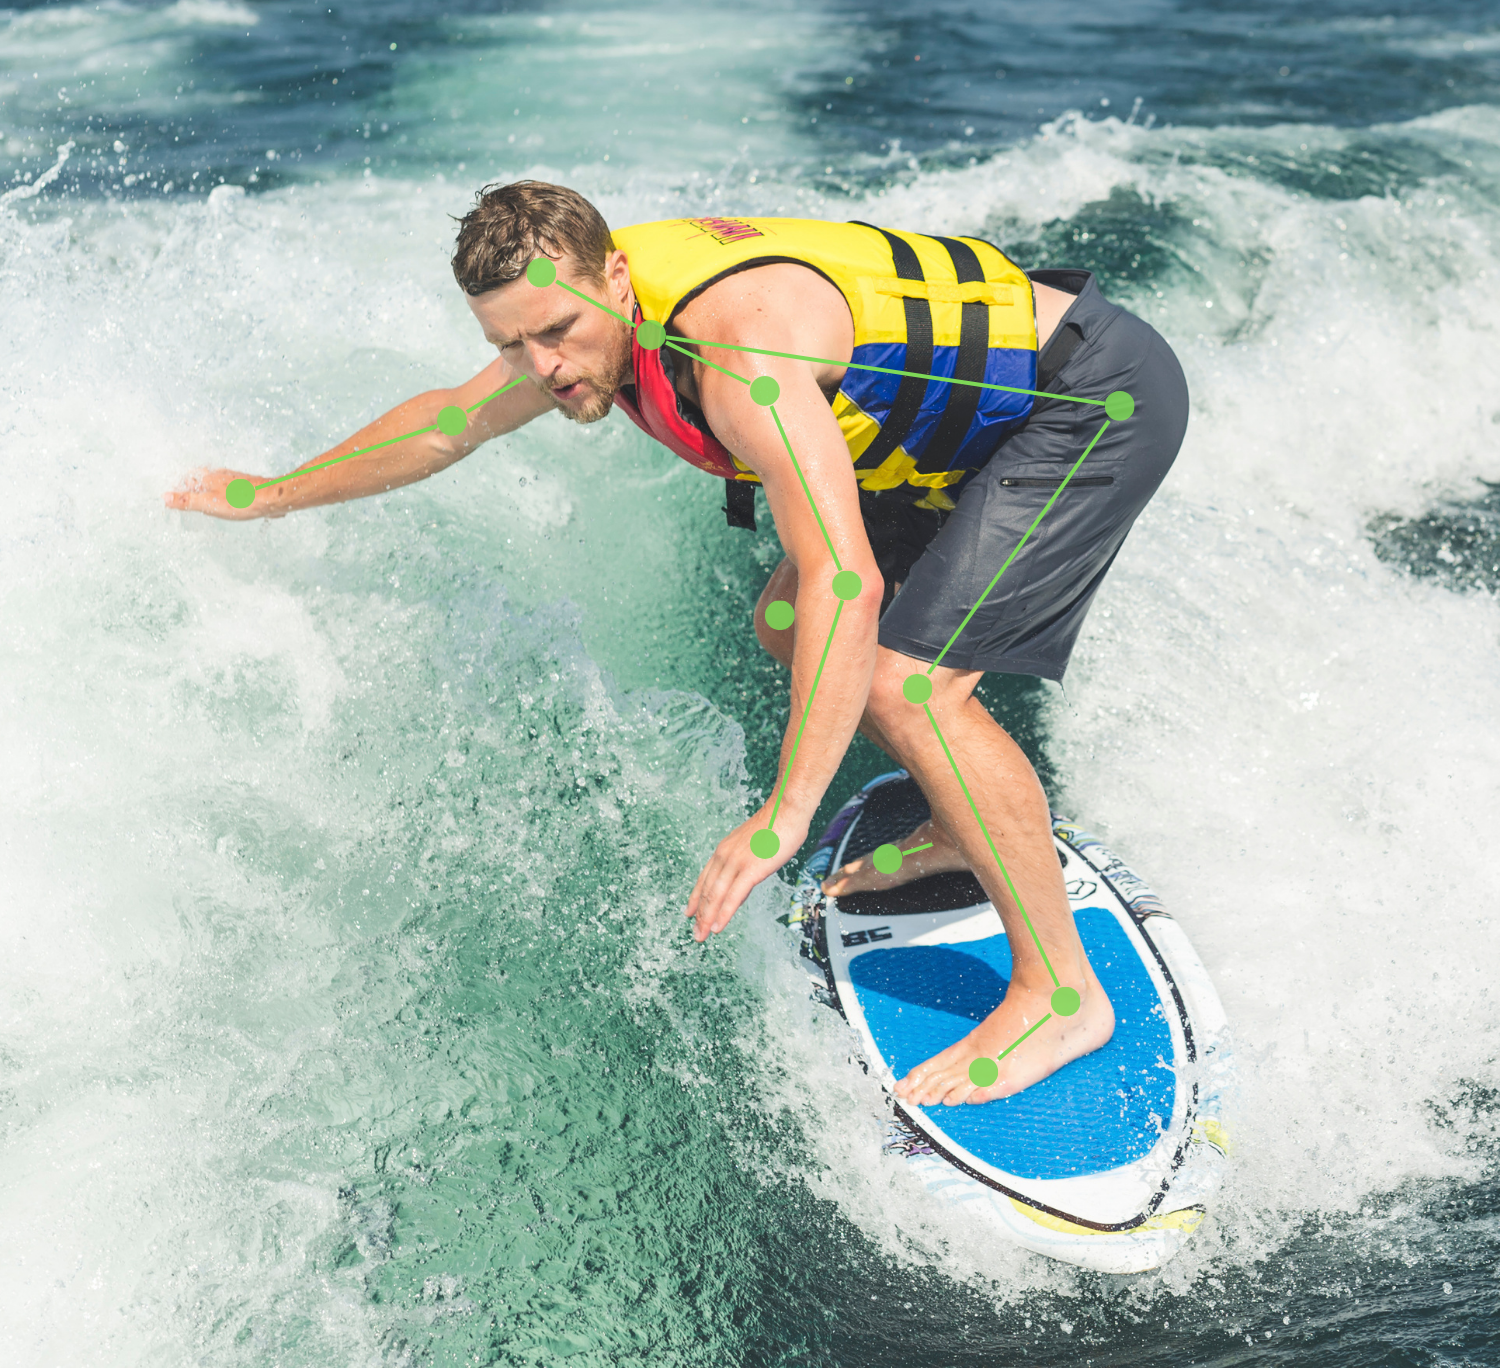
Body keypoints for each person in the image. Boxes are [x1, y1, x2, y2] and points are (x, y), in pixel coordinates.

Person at [166, 181, 1189, 1108]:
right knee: (782, 624)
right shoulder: (582, 323)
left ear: (615, 278)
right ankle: (968, 830)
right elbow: (447, 424)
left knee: (905, 688)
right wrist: (268, 495)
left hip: (1079, 403)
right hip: (953, 431)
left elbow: (847, 581)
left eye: (557, 332)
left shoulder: (740, 360)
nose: (543, 368)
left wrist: (785, 816)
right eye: (512, 345)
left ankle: (1060, 996)